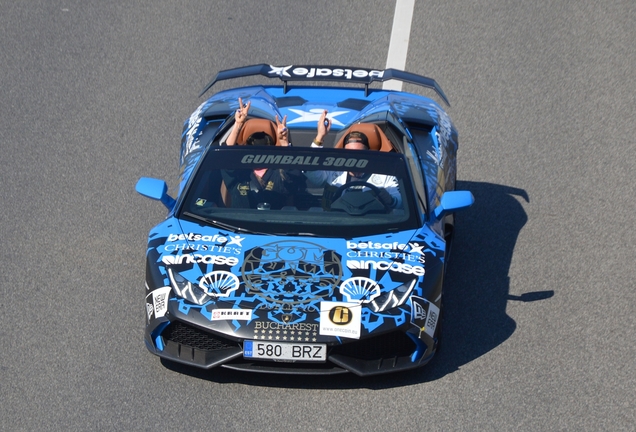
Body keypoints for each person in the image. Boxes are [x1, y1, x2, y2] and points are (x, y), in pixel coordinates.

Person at [304, 110, 402, 209]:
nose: (354, 157)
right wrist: (320, 137)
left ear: (368, 154)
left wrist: (390, 200)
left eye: (359, 153)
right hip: (334, 221)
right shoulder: (334, 171)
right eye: (349, 153)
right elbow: (311, 170)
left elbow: (401, 203)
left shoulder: (384, 175)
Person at [221, 98, 304, 209]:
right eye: (252, 142)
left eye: (265, 143)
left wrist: (284, 142)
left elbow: (293, 176)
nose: (258, 147)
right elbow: (226, 159)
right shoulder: (238, 172)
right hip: (238, 224)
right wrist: (238, 125)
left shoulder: (279, 172)